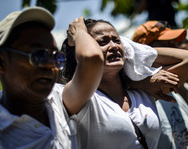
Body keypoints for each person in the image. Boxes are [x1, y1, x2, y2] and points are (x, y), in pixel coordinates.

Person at [60, 18, 188, 149]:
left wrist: (138, 81)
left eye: (117, 40)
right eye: (102, 42)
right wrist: (80, 33)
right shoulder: (80, 98)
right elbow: (91, 59)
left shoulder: (143, 92)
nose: (114, 46)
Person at [0, 7, 104, 149]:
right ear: (0, 61)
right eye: (38, 55)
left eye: (56, 57)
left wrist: (80, 33)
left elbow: (93, 62)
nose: (50, 65)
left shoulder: (60, 99)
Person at [132, 20, 188, 149]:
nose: (174, 48)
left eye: (174, 43)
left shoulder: (180, 86)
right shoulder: (139, 94)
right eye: (166, 44)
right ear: (144, 51)